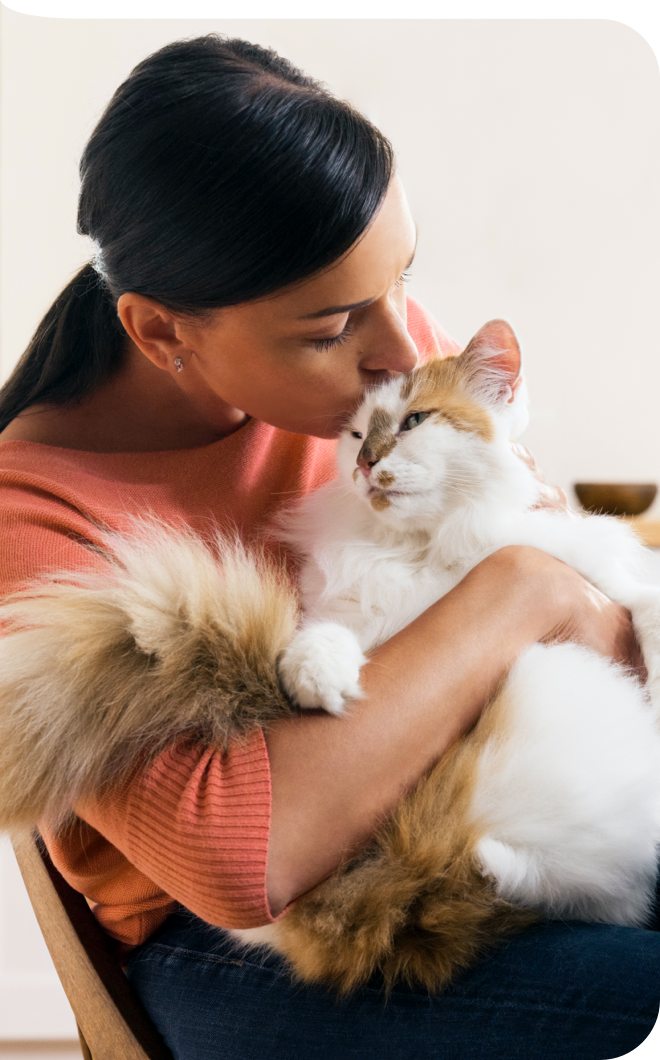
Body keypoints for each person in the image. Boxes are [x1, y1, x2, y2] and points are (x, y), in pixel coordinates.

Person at [0, 35, 658, 1060]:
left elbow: (602, 649)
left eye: (403, 277)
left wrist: (537, 603)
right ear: (162, 332)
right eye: (336, 323)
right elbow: (244, 861)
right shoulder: (33, 515)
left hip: (521, 824)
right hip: (284, 945)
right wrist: (516, 588)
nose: (402, 348)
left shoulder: (389, 385)